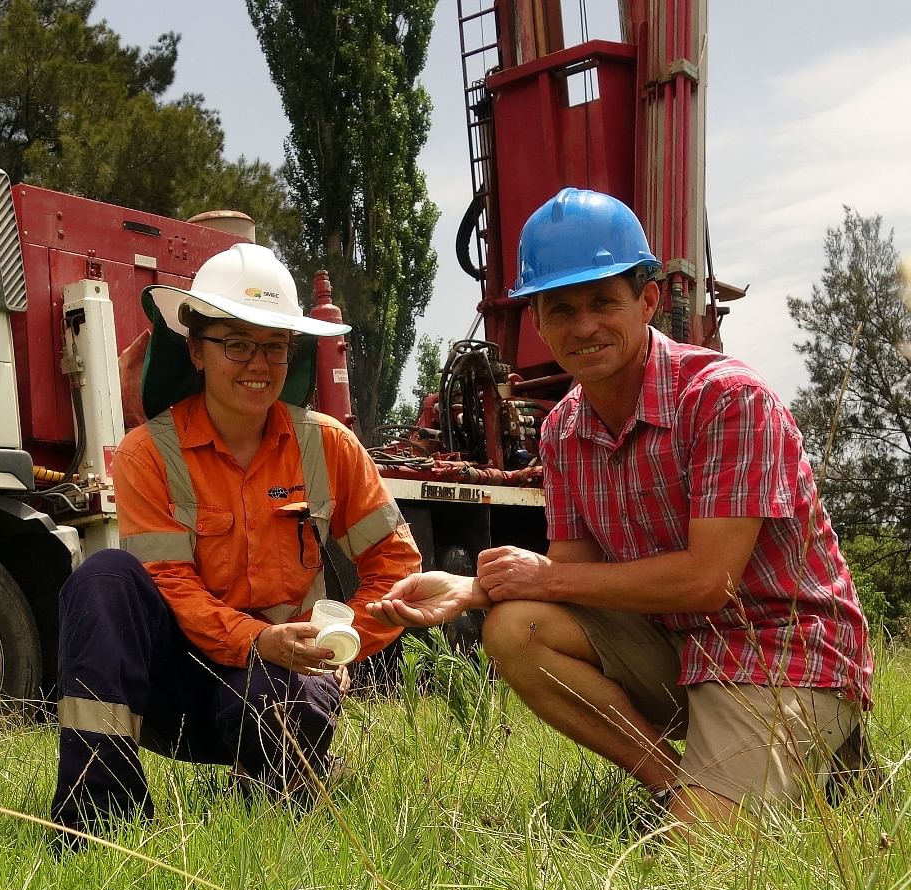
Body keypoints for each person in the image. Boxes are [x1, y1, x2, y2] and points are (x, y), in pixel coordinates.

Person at [369, 188, 874, 831]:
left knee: (707, 861)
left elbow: (708, 581)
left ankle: (821, 756)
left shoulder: (726, 399)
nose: (584, 326)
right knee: (517, 626)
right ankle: (675, 786)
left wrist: (541, 577)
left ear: (648, 299)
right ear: (538, 321)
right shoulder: (562, 433)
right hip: (676, 643)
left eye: (604, 301)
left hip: (778, 647)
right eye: (561, 308)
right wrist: (472, 590)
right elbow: (572, 587)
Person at [50, 243, 422, 841]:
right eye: (237, 344)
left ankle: (276, 777)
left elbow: (398, 572)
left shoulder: (330, 448)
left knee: (280, 739)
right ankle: (100, 811)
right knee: (103, 578)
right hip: (176, 686)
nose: (258, 362)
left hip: (282, 682)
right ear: (195, 349)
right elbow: (170, 585)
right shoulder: (150, 454)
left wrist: (338, 642)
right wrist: (258, 639)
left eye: (274, 345)